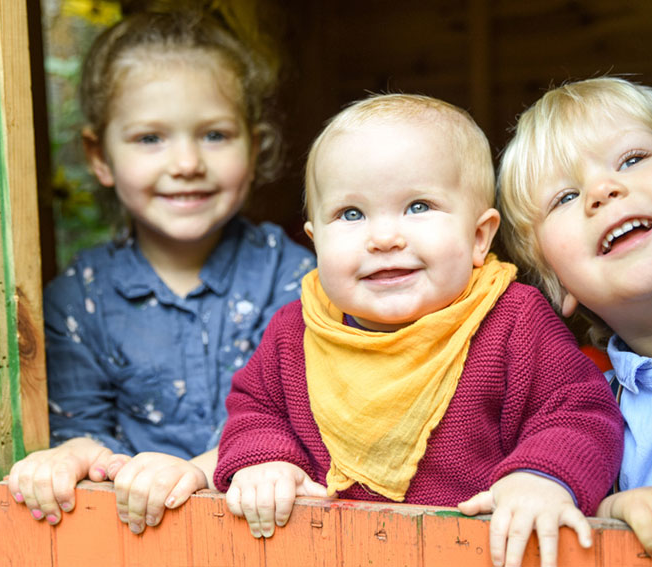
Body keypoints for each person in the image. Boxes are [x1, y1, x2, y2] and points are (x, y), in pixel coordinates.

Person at [214, 93, 624, 567]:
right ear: (315, 241)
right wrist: (266, 460)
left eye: (418, 206)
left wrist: (542, 476)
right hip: (325, 552)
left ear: (478, 237)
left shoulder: (513, 318)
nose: (385, 238)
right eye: (351, 214)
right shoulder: (297, 330)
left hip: (474, 554)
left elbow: (579, 409)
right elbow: (255, 407)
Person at [6, 10, 315, 535]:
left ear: (255, 145)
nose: (187, 162)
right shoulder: (78, 300)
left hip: (276, 534)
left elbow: (315, 422)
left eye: (215, 135)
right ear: (99, 156)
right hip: (133, 540)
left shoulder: (298, 278)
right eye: (150, 138)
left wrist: (197, 471)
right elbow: (82, 432)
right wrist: (73, 454)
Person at [497, 77, 652, 567]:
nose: (602, 191)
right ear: (558, 285)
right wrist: (611, 511)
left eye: (632, 159)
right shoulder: (571, 413)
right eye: (564, 197)